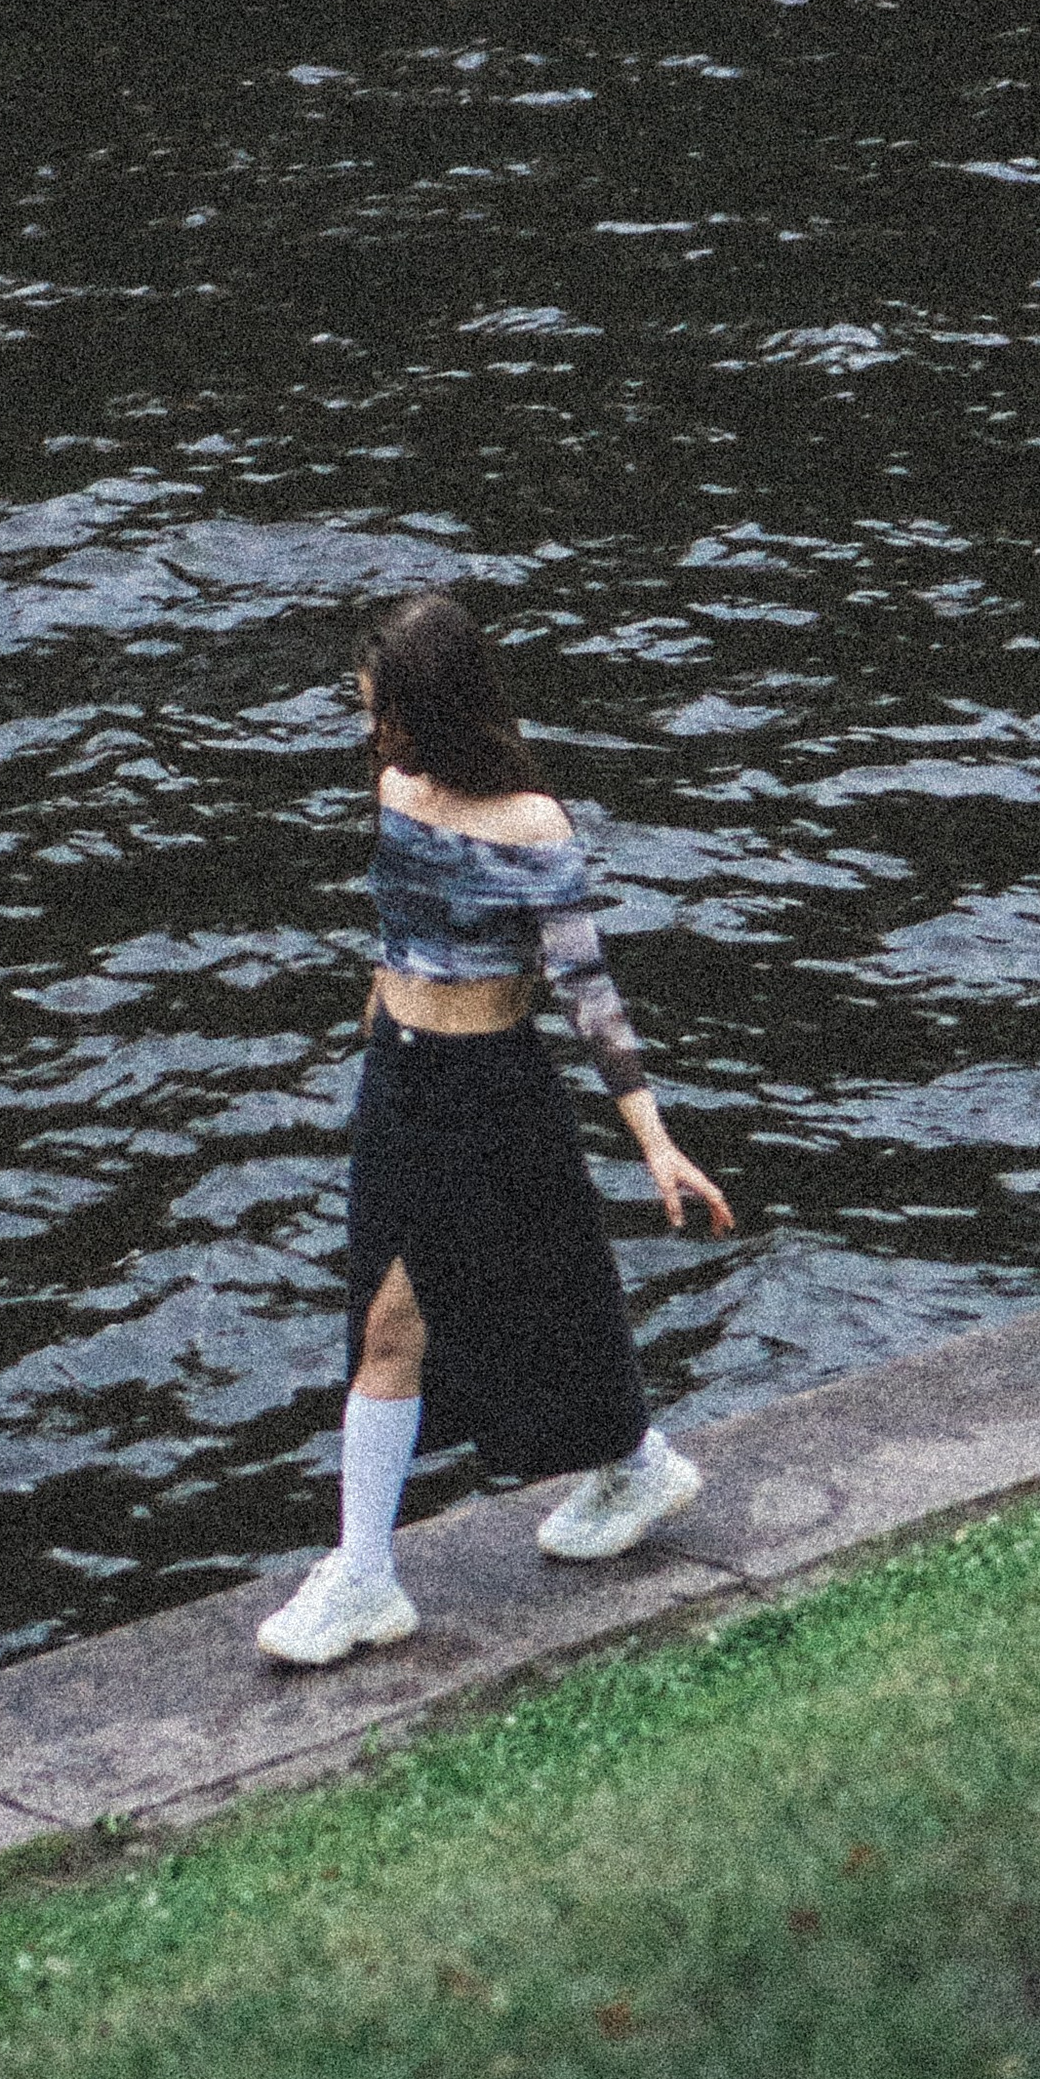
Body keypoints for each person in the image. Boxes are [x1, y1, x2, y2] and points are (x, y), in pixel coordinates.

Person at [259, 589, 735, 1668]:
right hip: (402, 1080)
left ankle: (371, 1576)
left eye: (386, 710)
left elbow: (589, 995)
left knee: (456, 1310)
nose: (374, 732)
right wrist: (375, 1045)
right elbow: (398, 933)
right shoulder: (394, 789)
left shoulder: (533, 828)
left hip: (489, 1088)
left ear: (436, 706)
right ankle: (626, 1465)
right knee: (459, 1307)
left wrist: (653, 1140)